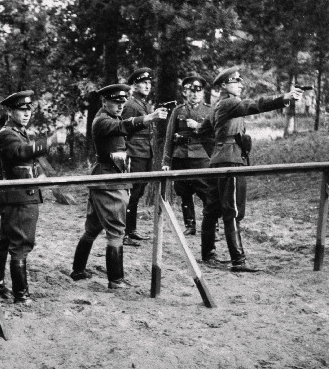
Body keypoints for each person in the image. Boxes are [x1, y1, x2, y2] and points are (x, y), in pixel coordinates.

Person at [197, 66, 303, 272]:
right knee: (233, 211)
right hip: (232, 162)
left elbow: (202, 132)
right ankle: (238, 261)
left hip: (219, 161)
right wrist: (284, 98)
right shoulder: (230, 102)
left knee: (212, 209)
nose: (241, 84)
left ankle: (208, 254)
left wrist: (217, 151)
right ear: (224, 86)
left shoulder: (218, 105)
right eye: (236, 81)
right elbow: (256, 105)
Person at [70, 84, 167, 287]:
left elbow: (123, 125)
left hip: (107, 179)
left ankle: (77, 271)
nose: (120, 105)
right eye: (116, 102)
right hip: (109, 181)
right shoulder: (102, 120)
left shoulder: (111, 117)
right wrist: (149, 118)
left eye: (123, 102)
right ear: (105, 101)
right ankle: (116, 280)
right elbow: (123, 127)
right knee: (116, 232)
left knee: (93, 228)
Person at [0, 90, 59, 304]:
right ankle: (21, 295)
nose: (26, 114)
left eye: (28, 110)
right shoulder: (7, 133)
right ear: (10, 111)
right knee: (21, 244)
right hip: (19, 197)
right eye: (21, 110)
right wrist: (49, 142)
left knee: (6, 240)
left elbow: (26, 156)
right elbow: (21, 152)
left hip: (19, 195)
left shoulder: (18, 131)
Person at [120, 68, 169, 246]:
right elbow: (124, 129)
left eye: (149, 83)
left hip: (145, 151)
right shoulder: (130, 105)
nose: (148, 86)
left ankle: (131, 230)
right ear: (134, 85)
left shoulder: (142, 104)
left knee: (138, 192)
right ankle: (125, 233)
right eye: (143, 83)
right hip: (134, 151)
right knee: (132, 193)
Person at [161, 74, 212, 235]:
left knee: (206, 192)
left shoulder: (210, 111)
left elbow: (213, 135)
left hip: (201, 157)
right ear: (185, 93)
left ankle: (212, 225)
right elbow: (169, 137)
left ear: (202, 93)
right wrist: (166, 161)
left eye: (198, 91)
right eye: (191, 91)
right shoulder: (178, 111)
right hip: (181, 157)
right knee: (184, 192)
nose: (195, 94)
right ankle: (190, 225)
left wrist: (198, 126)